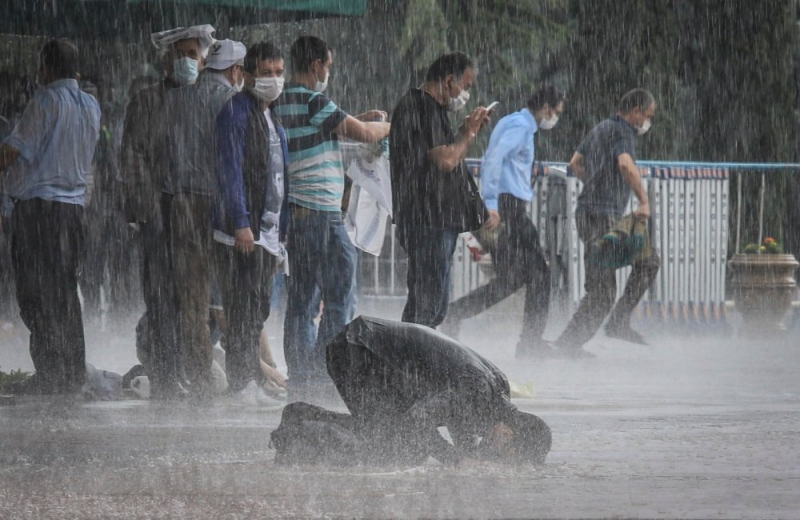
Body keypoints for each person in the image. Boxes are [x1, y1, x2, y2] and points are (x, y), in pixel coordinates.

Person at [272, 36, 390, 398]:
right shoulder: (314, 101)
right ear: (316, 66)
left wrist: (359, 117)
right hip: (324, 215)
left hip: (297, 216)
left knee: (302, 300)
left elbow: (332, 125)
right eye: (328, 65)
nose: (328, 72)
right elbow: (367, 134)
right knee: (340, 297)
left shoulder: (281, 103)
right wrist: (386, 126)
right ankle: (327, 372)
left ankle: (303, 376)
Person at [271, 316, 552, 467]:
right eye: (506, 454)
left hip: (371, 349)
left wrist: (467, 456)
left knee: (395, 442)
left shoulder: (496, 391)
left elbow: (457, 420)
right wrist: (457, 459)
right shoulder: (477, 393)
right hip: (358, 349)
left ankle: (302, 420)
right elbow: (415, 421)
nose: (497, 455)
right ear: (507, 432)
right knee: (395, 452)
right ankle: (298, 428)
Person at [0, 40, 101, 394]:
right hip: (73, 212)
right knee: (64, 292)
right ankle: (72, 372)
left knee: (34, 293)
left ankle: (50, 373)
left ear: (44, 68)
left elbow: (12, 151)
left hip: (39, 211)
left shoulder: (43, 102)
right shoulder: (91, 105)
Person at [121, 24, 215, 400]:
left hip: (199, 215)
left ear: (204, 60)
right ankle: (164, 378)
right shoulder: (146, 101)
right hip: (158, 213)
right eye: (179, 54)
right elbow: (133, 157)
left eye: (192, 54)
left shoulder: (212, 100)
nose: (185, 61)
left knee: (196, 302)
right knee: (160, 299)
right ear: (165, 59)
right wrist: (146, 209)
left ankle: (199, 378)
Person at [443, 86, 565, 358]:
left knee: (511, 279)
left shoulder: (512, 121)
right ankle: (530, 344)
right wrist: (492, 204)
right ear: (545, 108)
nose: (555, 118)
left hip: (508, 206)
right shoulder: (521, 127)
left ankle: (454, 314)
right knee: (541, 275)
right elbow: (494, 158)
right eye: (555, 112)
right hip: (510, 209)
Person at [155, 38, 246, 401]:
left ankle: (200, 376)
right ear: (237, 71)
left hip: (183, 205)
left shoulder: (174, 100)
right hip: (223, 207)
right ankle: (244, 374)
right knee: (235, 295)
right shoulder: (232, 102)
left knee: (192, 297)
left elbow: (161, 153)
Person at [554, 89, 661, 356]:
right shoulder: (623, 131)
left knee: (640, 265)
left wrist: (596, 183)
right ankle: (591, 334)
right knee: (607, 287)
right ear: (635, 111)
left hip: (593, 214)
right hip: (602, 217)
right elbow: (625, 165)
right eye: (647, 116)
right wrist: (643, 201)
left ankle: (592, 333)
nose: (647, 122)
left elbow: (575, 163)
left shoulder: (601, 128)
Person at [390, 51, 492, 330]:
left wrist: (464, 132)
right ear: (449, 81)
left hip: (432, 219)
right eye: (466, 86)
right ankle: (411, 365)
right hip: (427, 219)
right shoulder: (421, 106)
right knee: (428, 304)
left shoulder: (431, 110)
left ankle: (413, 363)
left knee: (433, 304)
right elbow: (447, 159)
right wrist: (468, 133)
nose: (466, 94)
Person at [213, 41, 288, 396]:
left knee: (256, 311)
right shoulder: (236, 113)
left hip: (269, 235)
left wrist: (280, 236)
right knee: (242, 313)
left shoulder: (273, 117)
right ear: (246, 74)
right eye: (266, 73)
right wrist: (241, 221)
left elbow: (279, 176)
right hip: (244, 233)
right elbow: (232, 173)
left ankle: (249, 379)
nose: (274, 80)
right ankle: (242, 383)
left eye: (278, 73)